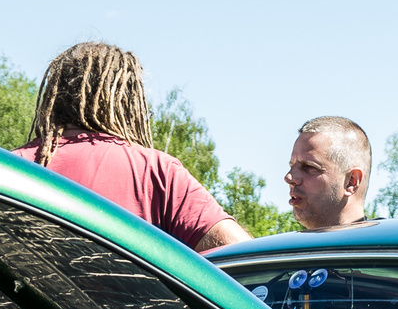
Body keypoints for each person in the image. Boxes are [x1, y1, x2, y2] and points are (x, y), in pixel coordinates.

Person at [15, 43, 247, 251]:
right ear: (128, 102)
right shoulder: (157, 172)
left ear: (54, 99)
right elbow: (241, 253)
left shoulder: (11, 168)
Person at [285, 116, 376, 231]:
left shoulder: (389, 245)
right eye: (292, 166)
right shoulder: (288, 247)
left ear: (351, 182)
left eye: (309, 167)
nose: (289, 177)